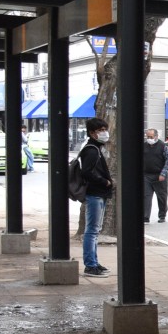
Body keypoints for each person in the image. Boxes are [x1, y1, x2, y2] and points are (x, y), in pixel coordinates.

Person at [76, 118, 115, 277]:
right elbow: (87, 172)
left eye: (104, 129)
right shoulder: (92, 150)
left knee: (94, 230)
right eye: (100, 130)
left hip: (98, 193)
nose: (104, 133)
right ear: (92, 133)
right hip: (95, 193)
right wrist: (104, 181)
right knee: (92, 231)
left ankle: (94, 262)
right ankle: (90, 265)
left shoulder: (95, 148)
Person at [142, 128, 168, 223]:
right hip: (147, 175)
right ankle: (145, 217)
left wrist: (163, 173)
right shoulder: (144, 146)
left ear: (156, 136)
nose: (149, 138)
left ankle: (162, 215)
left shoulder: (163, 146)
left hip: (160, 175)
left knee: (162, 196)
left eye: (151, 137)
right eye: (147, 137)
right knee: (146, 196)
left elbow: (167, 160)